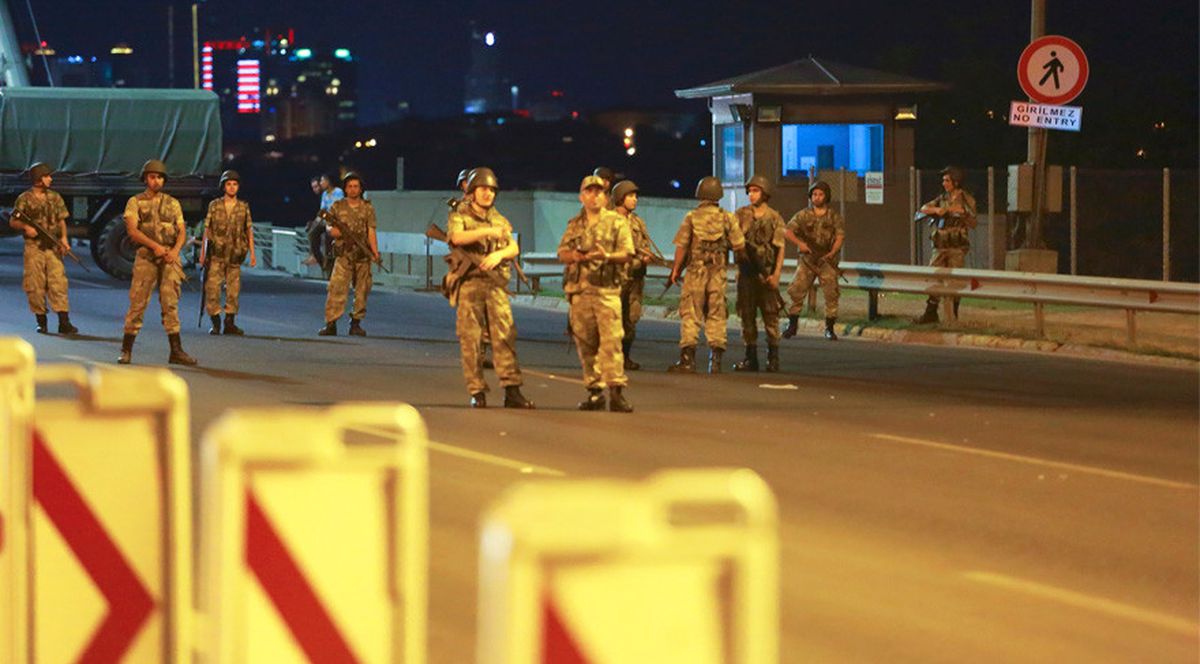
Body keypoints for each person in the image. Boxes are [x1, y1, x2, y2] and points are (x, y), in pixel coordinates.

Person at [446, 167, 535, 409]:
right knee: (471, 339)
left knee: (505, 337)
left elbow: (513, 247)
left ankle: (512, 390)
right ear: (472, 192)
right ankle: (477, 391)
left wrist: (499, 255)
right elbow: (456, 238)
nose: (487, 194)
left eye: (491, 190)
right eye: (483, 189)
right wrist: (486, 231)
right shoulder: (459, 215)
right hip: (470, 285)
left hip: (495, 285)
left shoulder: (500, 219)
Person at [558, 175, 635, 412]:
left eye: (599, 192)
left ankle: (616, 391)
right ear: (582, 197)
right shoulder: (575, 224)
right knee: (586, 343)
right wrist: (577, 256)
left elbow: (627, 253)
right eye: (589, 192)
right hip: (580, 291)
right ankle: (594, 391)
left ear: (605, 196)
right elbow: (562, 252)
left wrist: (607, 257)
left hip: (606, 292)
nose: (594, 196)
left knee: (611, 342)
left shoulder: (616, 222)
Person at [118, 159, 197, 365]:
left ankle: (176, 351)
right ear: (145, 179)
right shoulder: (135, 202)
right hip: (146, 259)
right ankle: (126, 350)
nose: (156, 181)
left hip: (170, 258)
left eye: (160, 177)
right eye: (152, 177)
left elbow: (181, 231)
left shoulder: (173, 203)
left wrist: (175, 251)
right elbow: (132, 231)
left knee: (171, 304)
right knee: (137, 303)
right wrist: (156, 247)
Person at [667, 176, 746, 374]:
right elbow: (739, 246)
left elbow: (682, 247)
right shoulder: (728, 217)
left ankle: (688, 360)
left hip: (695, 272)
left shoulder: (691, 217)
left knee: (691, 313)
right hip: (718, 273)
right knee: (717, 313)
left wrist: (675, 270)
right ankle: (716, 360)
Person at [9, 162, 77, 335]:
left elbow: (62, 220)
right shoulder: (25, 199)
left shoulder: (55, 197)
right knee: (35, 284)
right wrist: (26, 228)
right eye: (47, 176)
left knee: (58, 283)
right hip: (34, 248)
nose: (50, 179)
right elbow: (13, 220)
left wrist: (63, 239)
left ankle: (64, 322)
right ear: (39, 179)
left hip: (52, 246)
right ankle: (42, 321)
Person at [732, 175, 785, 371]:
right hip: (746, 274)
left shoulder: (774, 217)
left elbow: (780, 248)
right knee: (747, 315)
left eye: (756, 191)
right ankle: (750, 356)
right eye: (750, 191)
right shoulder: (740, 215)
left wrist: (776, 275)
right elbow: (733, 241)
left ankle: (773, 357)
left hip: (767, 273)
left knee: (771, 316)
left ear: (765, 193)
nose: (751, 195)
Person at [914, 166, 977, 324]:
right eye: (943, 180)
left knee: (954, 281)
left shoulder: (965, 198)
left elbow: (972, 219)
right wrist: (938, 210)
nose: (944, 183)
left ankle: (953, 315)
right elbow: (923, 209)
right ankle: (931, 312)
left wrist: (957, 211)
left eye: (947, 180)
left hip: (956, 246)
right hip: (940, 244)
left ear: (956, 182)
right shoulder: (941, 198)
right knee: (934, 276)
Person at [782, 180, 844, 341]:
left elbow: (839, 236)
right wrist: (800, 244)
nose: (817, 197)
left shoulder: (834, 217)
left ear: (827, 196)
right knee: (796, 291)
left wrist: (832, 253)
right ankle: (792, 325)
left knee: (831, 294)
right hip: (807, 260)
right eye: (814, 194)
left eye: (820, 194)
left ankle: (829, 328)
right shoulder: (803, 215)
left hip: (826, 261)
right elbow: (787, 231)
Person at [317, 173, 378, 336]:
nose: (353, 190)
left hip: (362, 255)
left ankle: (356, 323)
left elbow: (371, 231)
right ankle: (331, 323)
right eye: (350, 186)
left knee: (362, 290)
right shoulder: (338, 206)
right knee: (336, 288)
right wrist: (336, 232)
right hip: (343, 254)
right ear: (345, 188)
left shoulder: (367, 208)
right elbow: (329, 227)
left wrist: (375, 252)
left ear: (361, 188)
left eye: (356, 186)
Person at [200, 170, 255, 335]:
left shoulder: (243, 207)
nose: (232, 187)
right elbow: (207, 230)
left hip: (235, 254)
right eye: (229, 184)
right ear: (223, 186)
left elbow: (249, 230)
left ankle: (229, 322)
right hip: (217, 254)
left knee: (233, 290)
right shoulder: (215, 205)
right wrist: (203, 253)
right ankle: (215, 321)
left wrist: (252, 253)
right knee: (212, 289)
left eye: (235, 184)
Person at [612, 179, 654, 371]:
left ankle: (625, 357)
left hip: (635, 278)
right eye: (630, 196)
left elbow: (645, 246)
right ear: (620, 198)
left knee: (631, 318)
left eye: (635, 196)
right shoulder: (608, 220)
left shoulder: (638, 222)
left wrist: (646, 257)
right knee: (612, 318)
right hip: (614, 278)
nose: (634, 199)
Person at [302, 175, 326, 268]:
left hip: (331, 220)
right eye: (313, 188)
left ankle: (314, 256)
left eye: (316, 187)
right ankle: (313, 255)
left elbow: (324, 212)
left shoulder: (325, 195)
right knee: (311, 227)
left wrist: (316, 222)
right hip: (324, 219)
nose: (314, 189)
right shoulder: (319, 197)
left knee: (313, 229)